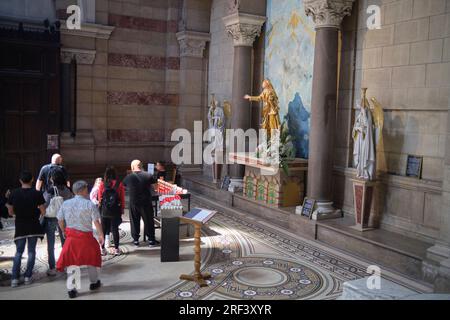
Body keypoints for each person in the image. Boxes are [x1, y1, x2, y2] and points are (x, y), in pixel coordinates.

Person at [56, 181, 104, 299]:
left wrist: (63, 231)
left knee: (72, 263)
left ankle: (72, 289)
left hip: (71, 238)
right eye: (86, 189)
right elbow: (96, 222)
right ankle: (94, 283)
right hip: (86, 238)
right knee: (91, 260)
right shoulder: (89, 204)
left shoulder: (66, 203)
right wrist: (101, 235)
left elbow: (60, 219)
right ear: (83, 190)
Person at [6, 171, 46, 287]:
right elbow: (43, 211)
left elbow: (10, 211)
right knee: (31, 251)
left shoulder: (14, 193)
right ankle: (28, 277)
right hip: (33, 225)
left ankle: (14, 278)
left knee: (18, 252)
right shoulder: (37, 193)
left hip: (20, 225)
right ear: (32, 180)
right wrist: (37, 211)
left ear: (20, 181)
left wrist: (18, 213)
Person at [42, 169, 73, 276]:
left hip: (51, 218)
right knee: (65, 242)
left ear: (52, 179)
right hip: (64, 218)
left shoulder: (50, 190)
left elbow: (44, 204)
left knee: (51, 244)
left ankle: (52, 268)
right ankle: (65, 264)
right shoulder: (68, 190)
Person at [123, 160, 159, 247]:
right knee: (148, 221)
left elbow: (123, 187)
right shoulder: (148, 175)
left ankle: (136, 241)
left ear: (132, 167)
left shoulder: (128, 177)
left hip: (134, 202)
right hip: (146, 202)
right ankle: (151, 240)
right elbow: (156, 187)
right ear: (142, 166)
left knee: (134, 221)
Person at [97, 167, 125, 256]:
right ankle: (117, 249)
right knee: (115, 229)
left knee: (103, 230)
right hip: (115, 210)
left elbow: (99, 198)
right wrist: (122, 209)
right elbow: (122, 198)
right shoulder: (119, 184)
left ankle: (103, 250)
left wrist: (101, 209)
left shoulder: (102, 184)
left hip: (104, 211)